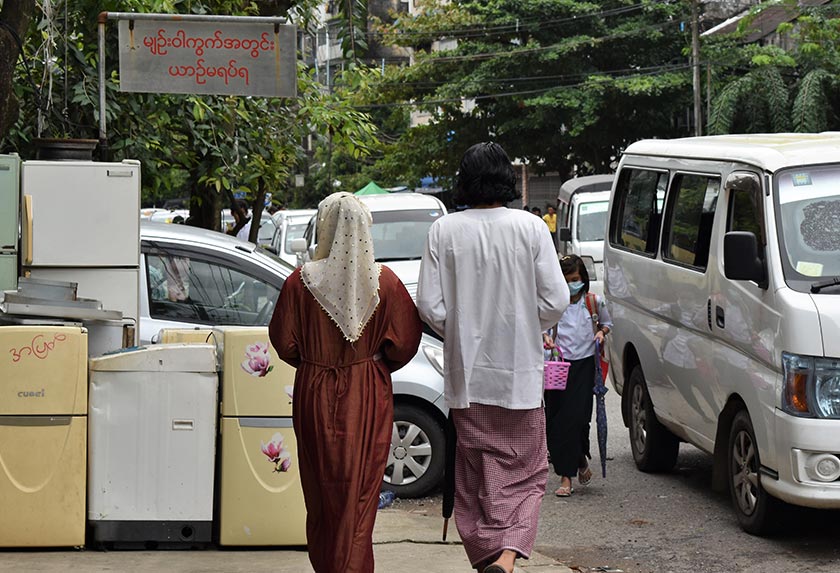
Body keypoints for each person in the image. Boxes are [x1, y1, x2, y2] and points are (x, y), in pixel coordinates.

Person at [417, 142, 569, 573]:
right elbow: (556, 300)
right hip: (519, 379)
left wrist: (463, 332)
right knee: (526, 476)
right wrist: (523, 324)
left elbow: (430, 307)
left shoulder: (443, 231)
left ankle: (489, 560)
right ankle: (505, 558)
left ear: (464, 181)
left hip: (468, 381)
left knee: (476, 478)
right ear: (506, 178)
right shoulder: (530, 228)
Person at [268, 192, 422, 573]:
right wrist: (370, 363)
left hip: (314, 391)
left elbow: (284, 342)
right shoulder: (385, 284)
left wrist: (316, 362)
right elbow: (405, 342)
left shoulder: (299, 283)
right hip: (367, 393)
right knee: (360, 492)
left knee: (320, 492)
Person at [542, 254, 613, 497]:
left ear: (582, 279)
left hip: (585, 367)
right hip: (559, 367)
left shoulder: (593, 302)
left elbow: (607, 324)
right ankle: (566, 477)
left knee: (578, 420)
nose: (572, 283)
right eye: (567, 280)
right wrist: (546, 338)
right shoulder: (554, 304)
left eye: (575, 279)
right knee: (557, 422)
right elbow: (542, 327)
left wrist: (601, 333)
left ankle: (579, 461)